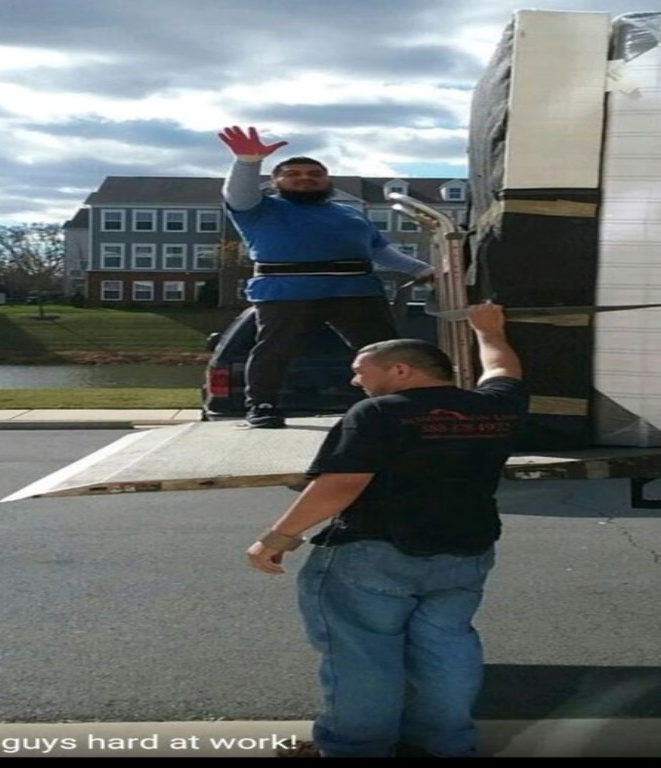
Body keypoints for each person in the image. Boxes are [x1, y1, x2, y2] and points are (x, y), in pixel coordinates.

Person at [246, 302, 527, 758]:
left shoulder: (378, 414)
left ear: (399, 370)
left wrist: (277, 538)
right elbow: (501, 368)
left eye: (361, 371)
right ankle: (442, 746)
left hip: (374, 553)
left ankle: (354, 748)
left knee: (362, 656)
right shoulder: (496, 408)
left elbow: (342, 483)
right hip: (465, 554)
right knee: (447, 652)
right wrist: (489, 330)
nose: (355, 381)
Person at [217, 125, 435, 429]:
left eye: (314, 174)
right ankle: (262, 405)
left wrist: (421, 270)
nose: (305, 178)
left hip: (357, 291)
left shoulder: (350, 214)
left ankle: (395, 403)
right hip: (286, 292)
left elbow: (380, 250)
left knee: (385, 350)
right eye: (294, 174)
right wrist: (247, 161)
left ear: (327, 181)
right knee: (274, 350)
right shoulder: (257, 209)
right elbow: (237, 193)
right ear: (275, 182)